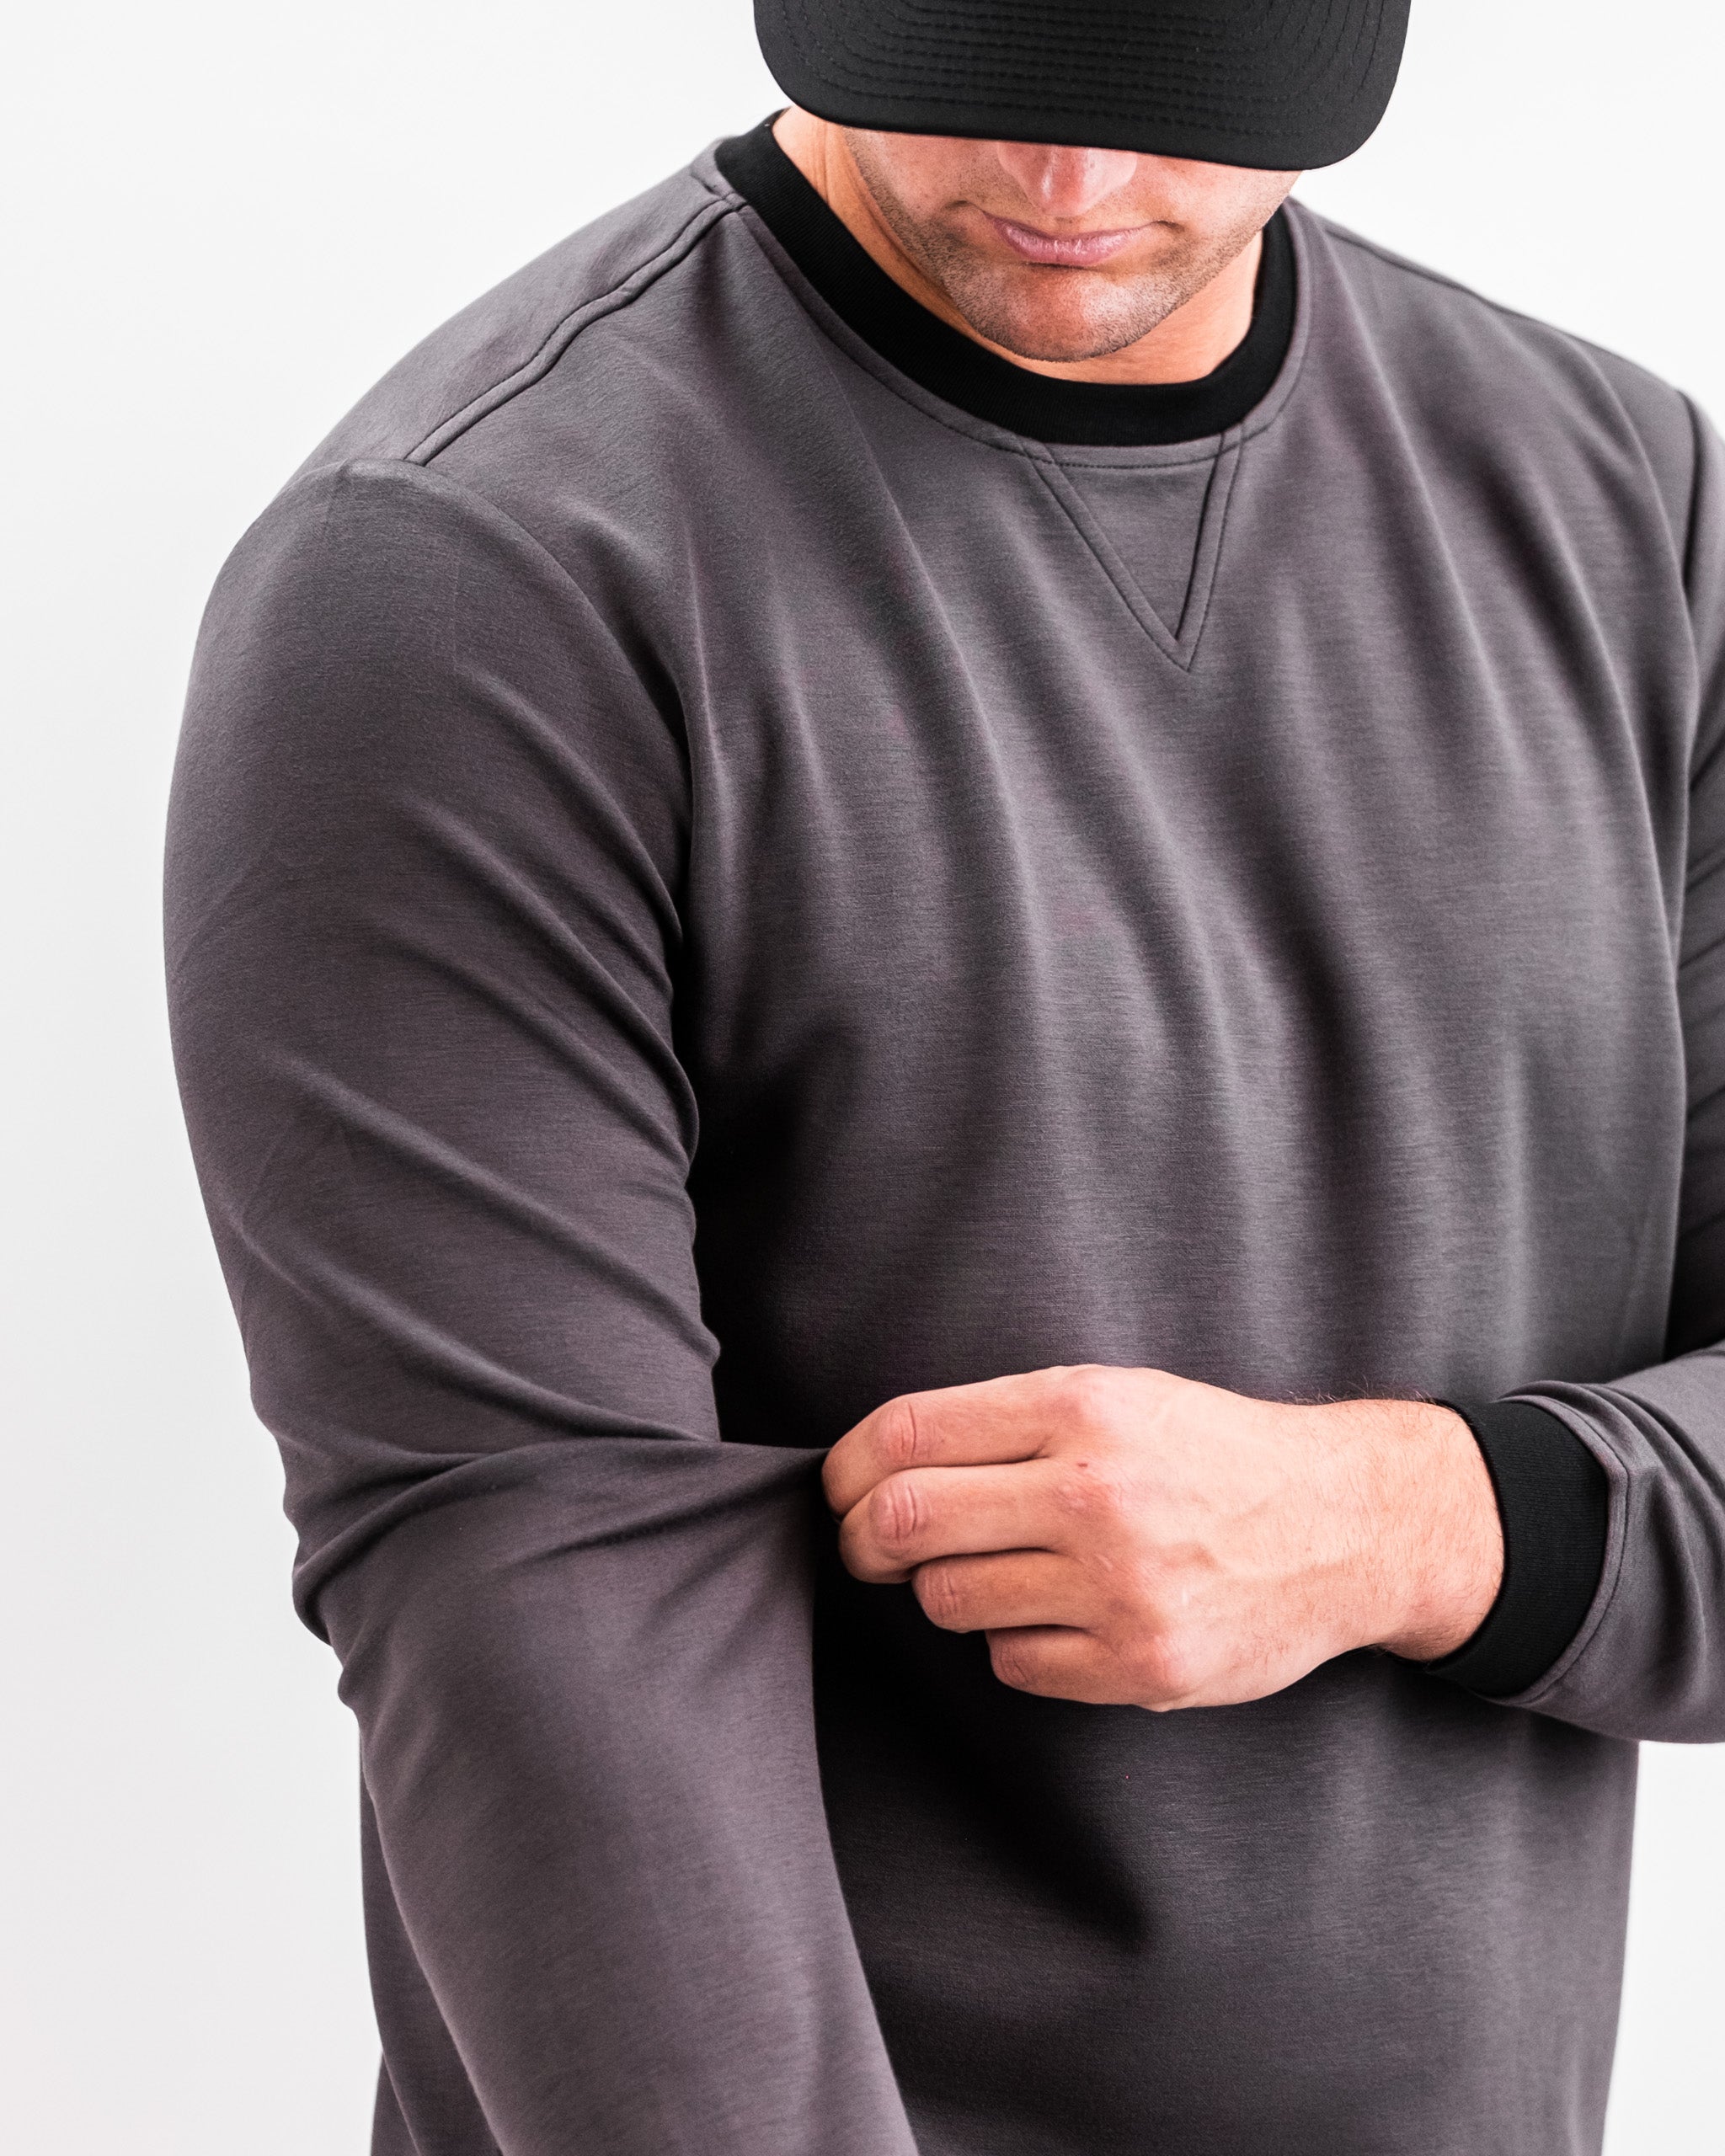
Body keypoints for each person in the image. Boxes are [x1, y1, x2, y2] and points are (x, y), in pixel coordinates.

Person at [164, 0, 1725, 2149]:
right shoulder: (467, 572)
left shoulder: (1626, 508)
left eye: (1165, 103)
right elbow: (539, 1622)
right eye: (973, 66)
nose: (1067, 185)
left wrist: (1401, 1519)